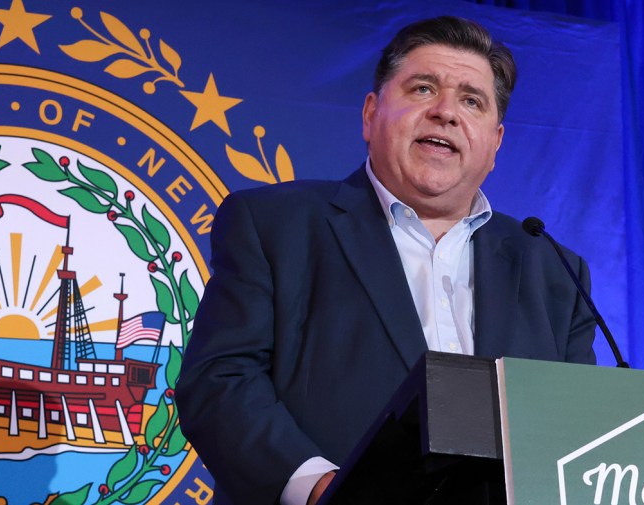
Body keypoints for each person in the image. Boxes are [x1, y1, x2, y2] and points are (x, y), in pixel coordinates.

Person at [176, 15, 597, 505]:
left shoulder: (555, 272)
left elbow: (575, 434)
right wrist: (321, 490)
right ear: (371, 113)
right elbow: (220, 380)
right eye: (423, 89)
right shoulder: (275, 226)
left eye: (471, 101)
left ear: (495, 142)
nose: (446, 112)